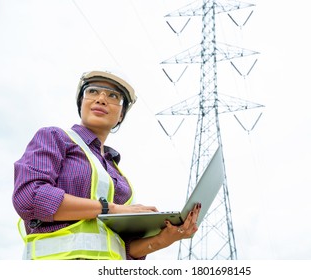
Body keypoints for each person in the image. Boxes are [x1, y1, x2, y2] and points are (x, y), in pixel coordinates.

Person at [13, 70, 201, 260]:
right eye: (93, 91)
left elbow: (122, 247)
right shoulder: (55, 137)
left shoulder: (116, 174)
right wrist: (111, 209)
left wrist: (165, 239)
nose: (101, 99)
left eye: (113, 96)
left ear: (121, 115)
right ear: (81, 103)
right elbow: (30, 197)